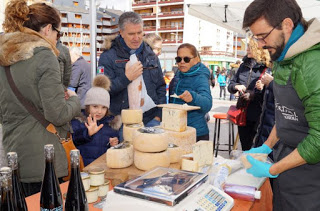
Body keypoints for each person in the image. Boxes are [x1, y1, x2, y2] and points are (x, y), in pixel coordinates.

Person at [243, 0, 320, 210]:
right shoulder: (284, 56)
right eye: (255, 38)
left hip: (311, 178)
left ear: (287, 25)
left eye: (262, 36)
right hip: (287, 165)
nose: (259, 44)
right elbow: (286, 112)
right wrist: (267, 145)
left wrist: (273, 169)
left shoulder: (313, 64)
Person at [0, 0, 80, 196]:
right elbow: (58, 114)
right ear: (47, 29)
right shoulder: (44, 56)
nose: (57, 39)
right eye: (57, 33)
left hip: (15, 156)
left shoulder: (4, 56)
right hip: (45, 159)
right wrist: (75, 100)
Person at [98, 12, 166, 132]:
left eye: (139, 33)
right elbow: (102, 91)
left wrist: (158, 117)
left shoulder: (151, 54)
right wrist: (126, 78)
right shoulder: (107, 56)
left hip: (150, 120)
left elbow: (160, 87)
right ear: (121, 33)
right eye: (131, 34)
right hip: (122, 124)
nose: (136, 38)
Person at [71, 75, 120, 166]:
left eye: (103, 107)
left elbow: (112, 148)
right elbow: (74, 139)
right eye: (95, 106)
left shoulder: (111, 124)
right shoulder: (79, 121)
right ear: (88, 106)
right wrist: (88, 133)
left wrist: (113, 144)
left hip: (103, 168)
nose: (99, 111)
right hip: (83, 168)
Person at [228, 39, 267, 151]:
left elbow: (271, 92)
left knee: (256, 148)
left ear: (258, 49)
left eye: (250, 47)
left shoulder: (266, 67)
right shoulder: (242, 66)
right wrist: (236, 86)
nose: (247, 49)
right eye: (248, 47)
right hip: (243, 113)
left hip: (258, 114)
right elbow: (230, 85)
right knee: (245, 146)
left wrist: (258, 91)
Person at [169, 43, 212, 141]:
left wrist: (193, 97)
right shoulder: (179, 74)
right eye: (178, 59)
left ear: (196, 59)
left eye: (186, 59)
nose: (182, 62)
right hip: (177, 130)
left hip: (195, 134)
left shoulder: (200, 77)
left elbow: (208, 104)